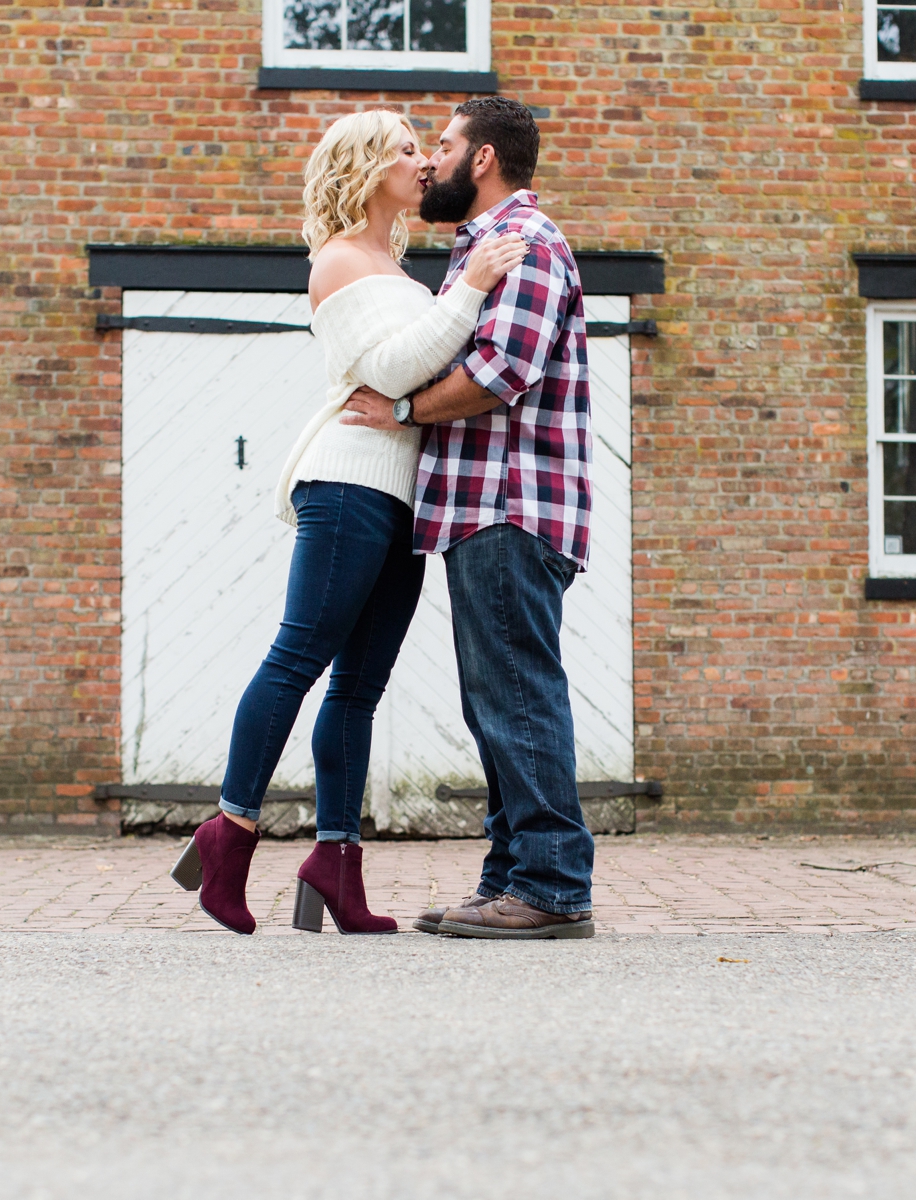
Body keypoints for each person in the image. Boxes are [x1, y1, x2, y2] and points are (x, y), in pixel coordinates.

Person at [169, 109, 528, 935]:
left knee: (359, 689)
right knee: (297, 657)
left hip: (401, 494)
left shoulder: (395, 265)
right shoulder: (336, 261)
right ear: (368, 169)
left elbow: (421, 376)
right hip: (347, 484)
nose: (422, 162)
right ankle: (230, 833)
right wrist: (473, 287)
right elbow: (400, 367)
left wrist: (457, 298)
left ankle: (335, 862)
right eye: (407, 151)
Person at [341, 96, 597, 939]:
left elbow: (499, 373)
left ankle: (554, 888)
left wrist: (403, 410)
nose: (430, 162)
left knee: (518, 696)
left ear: (481, 159)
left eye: (442, 146)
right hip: (482, 509)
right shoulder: (480, 251)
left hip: (510, 506)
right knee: (496, 701)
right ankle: (509, 881)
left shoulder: (524, 244)